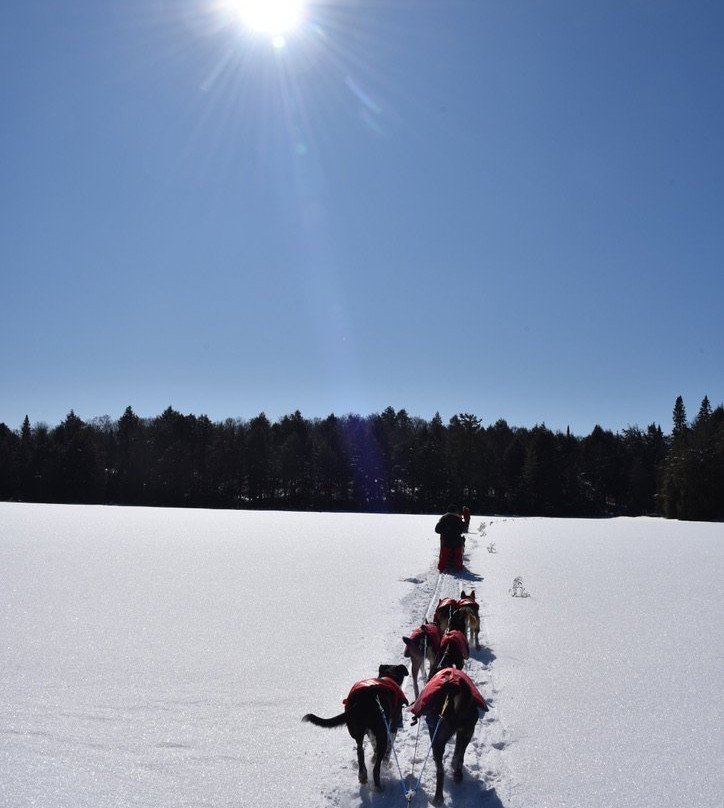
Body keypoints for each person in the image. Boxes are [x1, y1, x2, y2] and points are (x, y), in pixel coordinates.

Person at [434, 505, 465, 572]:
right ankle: (458, 567)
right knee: (458, 555)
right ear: (456, 511)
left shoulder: (444, 518)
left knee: (444, 555)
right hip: (457, 541)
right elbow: (463, 528)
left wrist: (445, 531)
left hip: (446, 540)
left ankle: (441, 568)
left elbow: (437, 530)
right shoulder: (459, 519)